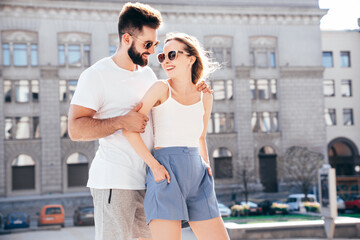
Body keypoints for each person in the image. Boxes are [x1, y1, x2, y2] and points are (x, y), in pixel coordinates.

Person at [68, 3, 210, 240]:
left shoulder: (148, 75)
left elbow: (172, 103)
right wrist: (122, 121)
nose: (152, 51)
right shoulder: (97, 75)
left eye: (154, 44)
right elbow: (75, 129)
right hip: (115, 181)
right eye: (147, 45)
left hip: (151, 181)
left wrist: (197, 87)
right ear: (126, 39)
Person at [123, 32, 230, 240]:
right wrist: (154, 166)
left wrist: (206, 164)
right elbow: (129, 129)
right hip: (166, 173)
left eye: (172, 54)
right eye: (162, 57)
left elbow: (200, 137)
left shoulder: (205, 96)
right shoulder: (160, 89)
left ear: (191, 58)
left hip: (199, 176)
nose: (165, 61)